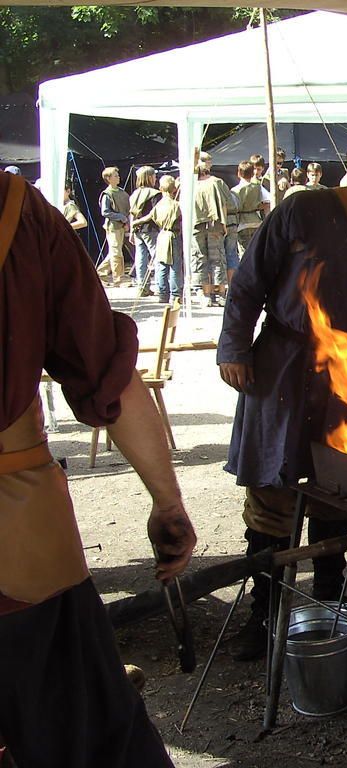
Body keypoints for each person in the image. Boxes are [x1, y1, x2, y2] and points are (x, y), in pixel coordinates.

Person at [0, 170, 196, 767]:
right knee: (81, 733)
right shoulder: (16, 212)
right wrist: (167, 501)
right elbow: (106, 369)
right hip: (18, 549)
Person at [217, 128, 347, 661]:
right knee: (272, 493)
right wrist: (234, 347)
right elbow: (249, 282)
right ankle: (264, 614)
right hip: (283, 365)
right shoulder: (301, 210)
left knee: (343, 489)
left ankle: (330, 610)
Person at [133, 175, 183, 305]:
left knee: (161, 266)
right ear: (174, 189)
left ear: (161, 188)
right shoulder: (177, 205)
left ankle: (162, 294)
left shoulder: (159, 205)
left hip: (161, 235)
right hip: (173, 235)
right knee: (175, 266)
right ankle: (175, 295)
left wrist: (135, 223)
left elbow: (147, 218)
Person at [193, 163, 229, 307]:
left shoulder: (190, 185)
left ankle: (206, 295)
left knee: (200, 258)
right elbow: (225, 203)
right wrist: (224, 224)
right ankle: (221, 294)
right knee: (218, 259)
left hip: (196, 225)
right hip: (215, 224)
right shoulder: (216, 182)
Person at [128, 167, 161, 298]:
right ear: (149, 177)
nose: (155, 179)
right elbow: (156, 213)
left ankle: (142, 287)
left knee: (140, 258)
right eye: (154, 176)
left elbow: (131, 214)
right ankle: (161, 287)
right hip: (151, 228)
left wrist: (132, 230)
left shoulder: (134, 194)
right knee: (157, 257)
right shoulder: (155, 194)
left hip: (137, 229)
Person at [96, 166, 130, 286]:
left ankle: (99, 274)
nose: (118, 177)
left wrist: (126, 222)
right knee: (116, 253)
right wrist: (121, 217)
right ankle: (118, 279)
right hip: (113, 227)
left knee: (114, 252)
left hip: (121, 226)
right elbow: (105, 212)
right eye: (115, 176)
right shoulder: (107, 194)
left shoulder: (122, 192)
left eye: (118, 175)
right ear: (109, 179)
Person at [232, 160, 268, 262]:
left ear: (239, 173)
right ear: (252, 174)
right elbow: (268, 201)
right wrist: (258, 206)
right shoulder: (258, 187)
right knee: (256, 252)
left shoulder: (235, 190)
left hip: (242, 223)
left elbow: (233, 207)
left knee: (244, 254)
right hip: (256, 221)